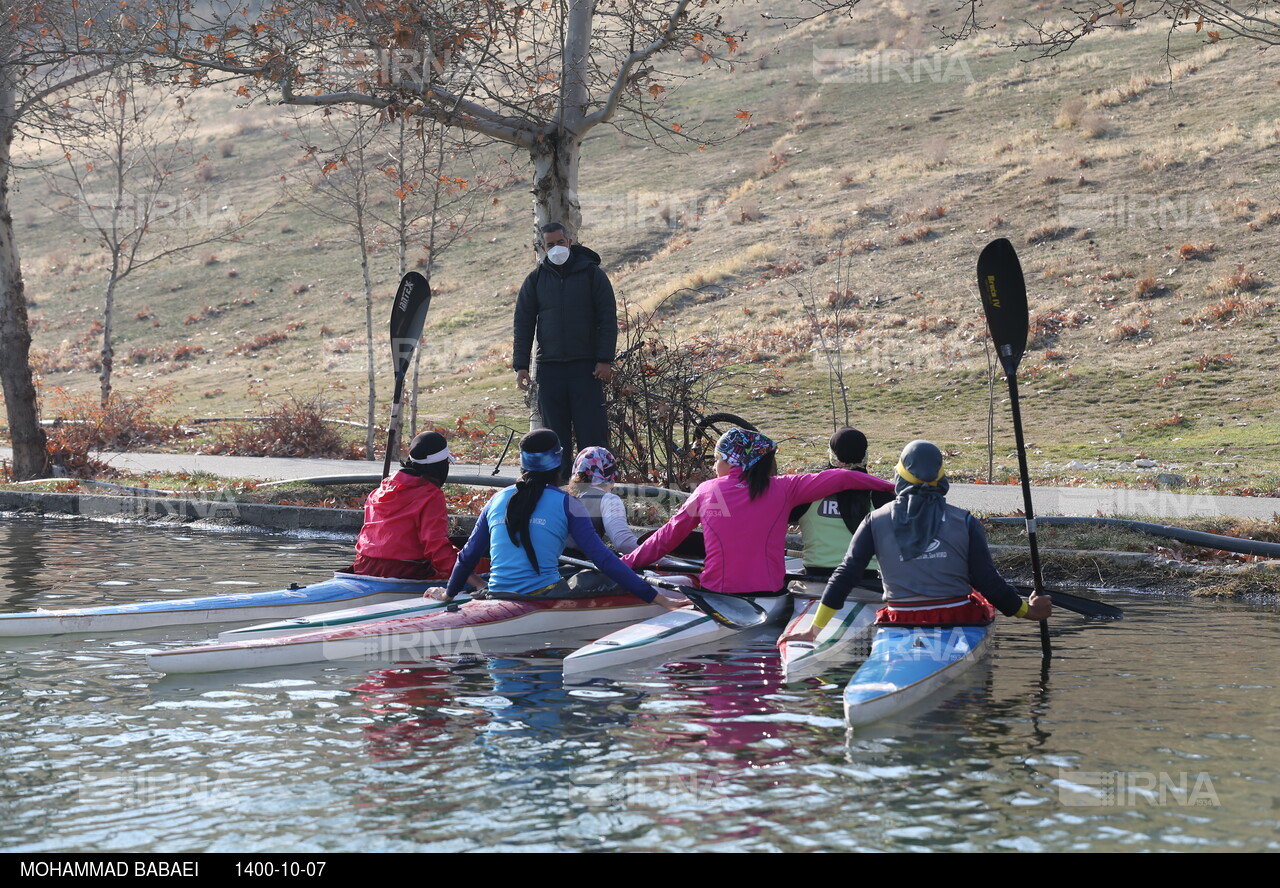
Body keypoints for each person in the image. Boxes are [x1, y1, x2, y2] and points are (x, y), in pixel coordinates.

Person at [780, 439, 1052, 644]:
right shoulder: (965, 521)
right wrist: (1031, 612)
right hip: (957, 620)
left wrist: (813, 630)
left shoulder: (875, 520)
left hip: (900, 621)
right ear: (940, 476)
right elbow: (988, 583)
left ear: (899, 475)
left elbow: (845, 576)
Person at [622, 428, 896, 596]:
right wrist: (894, 486)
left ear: (732, 461)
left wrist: (625, 564)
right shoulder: (785, 488)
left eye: (718, 459)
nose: (715, 465)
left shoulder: (708, 491)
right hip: (769, 595)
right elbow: (844, 478)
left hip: (715, 594)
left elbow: (666, 538)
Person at [431, 430, 683, 608]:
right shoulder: (567, 503)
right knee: (602, 574)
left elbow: (467, 556)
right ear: (559, 462)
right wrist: (657, 598)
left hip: (497, 592)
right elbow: (604, 559)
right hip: (542, 596)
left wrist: (449, 593)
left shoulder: (497, 498)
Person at [512, 222, 616, 480]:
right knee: (554, 439)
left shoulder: (593, 274)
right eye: (550, 245)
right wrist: (521, 366)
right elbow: (523, 323)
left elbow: (607, 318)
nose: (556, 248)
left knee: (592, 434)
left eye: (560, 243)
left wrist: (604, 359)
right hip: (550, 370)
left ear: (569, 242)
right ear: (542, 247)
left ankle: (595, 492)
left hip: (587, 369)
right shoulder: (535, 280)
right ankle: (556, 492)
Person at [351, 431, 460, 581]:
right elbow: (436, 549)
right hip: (404, 570)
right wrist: (470, 575)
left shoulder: (377, 492)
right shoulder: (431, 496)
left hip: (362, 566)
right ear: (440, 467)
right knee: (478, 564)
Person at [790, 427, 894, 580]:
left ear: (832, 455)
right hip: (866, 583)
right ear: (865, 455)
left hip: (815, 581)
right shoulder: (882, 494)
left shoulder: (807, 491)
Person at [565, 446, 639, 554]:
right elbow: (624, 543)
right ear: (610, 476)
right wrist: (665, 560)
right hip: (581, 565)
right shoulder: (608, 499)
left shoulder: (560, 494)